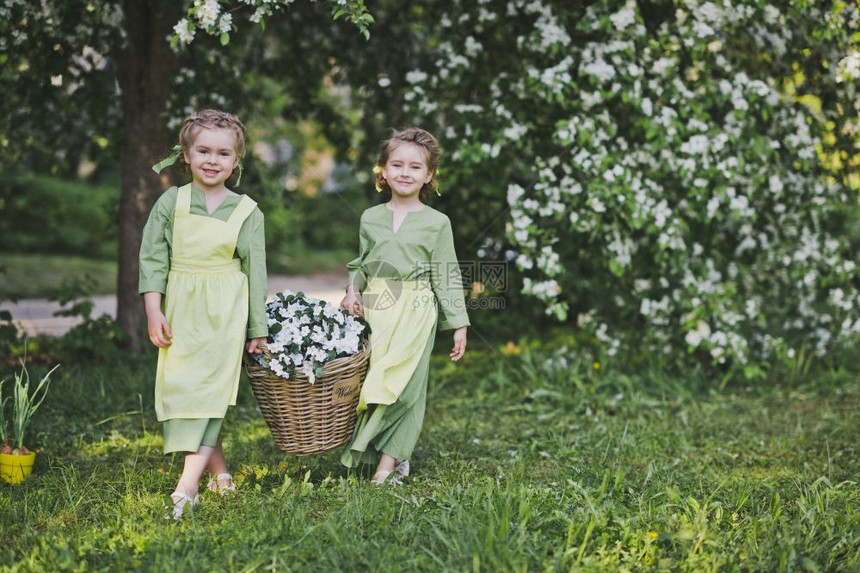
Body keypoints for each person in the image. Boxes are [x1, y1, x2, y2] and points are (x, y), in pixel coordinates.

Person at [139, 109, 267, 518]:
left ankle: (186, 487)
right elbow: (153, 259)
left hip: (226, 309)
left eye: (223, 153)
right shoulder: (170, 202)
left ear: (236, 161)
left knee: (212, 396)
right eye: (204, 150)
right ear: (187, 155)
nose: (213, 160)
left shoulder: (248, 210)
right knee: (186, 389)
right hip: (180, 306)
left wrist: (257, 328)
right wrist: (153, 311)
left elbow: (256, 273)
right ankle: (220, 473)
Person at [339, 127, 469, 484]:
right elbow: (362, 265)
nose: (405, 173)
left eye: (415, 167)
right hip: (376, 309)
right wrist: (352, 290)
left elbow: (446, 273)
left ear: (429, 175)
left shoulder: (436, 223)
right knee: (374, 384)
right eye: (397, 164)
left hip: (416, 310)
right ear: (382, 170)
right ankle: (388, 451)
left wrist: (458, 323)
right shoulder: (370, 218)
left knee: (406, 388)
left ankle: (387, 466)